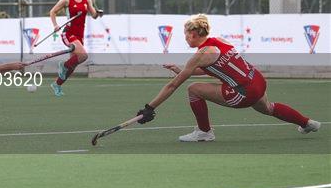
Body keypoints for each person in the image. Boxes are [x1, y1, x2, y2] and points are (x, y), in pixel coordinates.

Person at [135, 14, 321, 142]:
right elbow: (218, 69)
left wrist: (150, 107)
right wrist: (180, 69)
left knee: (193, 89)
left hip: (242, 92)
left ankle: (204, 132)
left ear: (193, 34)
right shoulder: (220, 41)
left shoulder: (201, 55)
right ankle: (307, 123)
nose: (185, 39)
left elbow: (173, 86)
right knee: (268, 108)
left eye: (185, 35)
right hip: (256, 80)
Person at [48, 0, 103, 96]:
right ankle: (63, 65)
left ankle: (57, 84)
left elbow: (93, 15)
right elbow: (52, 12)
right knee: (83, 56)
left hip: (80, 35)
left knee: (72, 66)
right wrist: (55, 25)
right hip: (68, 33)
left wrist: (98, 13)